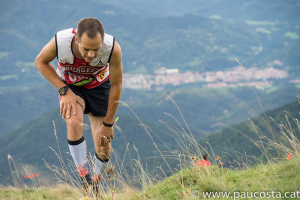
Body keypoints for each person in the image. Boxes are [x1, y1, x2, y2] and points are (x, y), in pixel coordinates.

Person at [35, 18, 123, 198]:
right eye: (86, 49)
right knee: (74, 122)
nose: (91, 55)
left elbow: (117, 85)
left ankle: (95, 187)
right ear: (77, 40)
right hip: (69, 86)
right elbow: (40, 62)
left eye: (96, 49)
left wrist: (108, 124)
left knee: (104, 146)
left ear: (103, 41)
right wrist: (63, 90)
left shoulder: (112, 48)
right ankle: (85, 179)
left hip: (99, 86)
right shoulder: (61, 42)